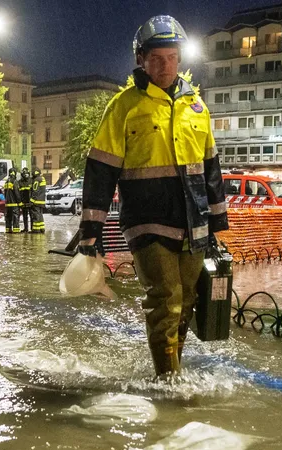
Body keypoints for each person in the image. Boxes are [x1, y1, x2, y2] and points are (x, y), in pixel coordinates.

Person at [78, 15, 228, 377]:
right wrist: (90, 233)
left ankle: (170, 370)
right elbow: (101, 170)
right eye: (157, 58)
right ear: (140, 59)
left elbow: (211, 169)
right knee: (166, 299)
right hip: (146, 221)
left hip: (193, 223)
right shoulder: (124, 106)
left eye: (172, 57)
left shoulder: (197, 107)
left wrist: (218, 225)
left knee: (186, 301)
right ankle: (169, 385)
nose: (165, 65)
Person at [4, 168, 21, 234]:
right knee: (15, 217)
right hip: (14, 204)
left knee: (8, 218)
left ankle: (8, 230)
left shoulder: (6, 182)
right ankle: (16, 231)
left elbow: (5, 193)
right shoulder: (15, 181)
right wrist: (19, 202)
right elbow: (17, 193)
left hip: (8, 204)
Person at [30, 168, 47, 233]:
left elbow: (35, 191)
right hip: (42, 201)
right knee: (40, 214)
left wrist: (32, 200)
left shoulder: (36, 180)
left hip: (36, 201)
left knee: (36, 215)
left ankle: (36, 229)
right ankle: (42, 228)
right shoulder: (42, 179)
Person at [18, 167, 33, 233]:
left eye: (27, 174)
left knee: (32, 216)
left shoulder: (32, 181)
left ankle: (32, 228)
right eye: (24, 174)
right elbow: (19, 192)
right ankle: (26, 228)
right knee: (25, 216)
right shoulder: (19, 182)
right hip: (23, 201)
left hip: (30, 201)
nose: (26, 175)